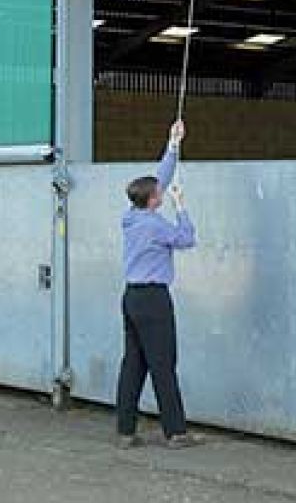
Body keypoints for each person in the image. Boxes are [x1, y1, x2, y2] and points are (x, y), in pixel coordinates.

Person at [115, 119, 202, 449]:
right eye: (160, 194)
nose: (162, 192)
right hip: (154, 300)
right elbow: (187, 239)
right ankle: (176, 432)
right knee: (163, 364)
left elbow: (160, 177)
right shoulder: (155, 226)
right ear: (153, 200)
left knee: (133, 364)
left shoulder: (131, 216)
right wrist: (181, 207)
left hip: (131, 298)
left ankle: (126, 431)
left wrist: (173, 143)